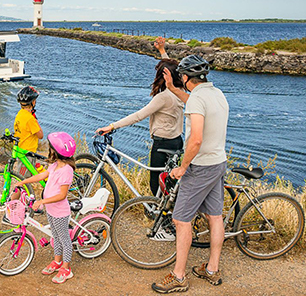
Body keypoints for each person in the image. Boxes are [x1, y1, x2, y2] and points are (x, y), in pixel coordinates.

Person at [151, 55, 229, 294]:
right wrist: (174, 90)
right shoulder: (216, 94)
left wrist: (183, 167)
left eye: (180, 79)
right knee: (215, 217)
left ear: (185, 77)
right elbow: (195, 104)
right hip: (219, 162)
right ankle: (212, 270)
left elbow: (195, 139)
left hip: (201, 167)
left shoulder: (197, 99)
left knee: (181, 219)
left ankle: (179, 276)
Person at [95, 57, 184, 197]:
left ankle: (164, 215)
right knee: (169, 182)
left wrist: (112, 126)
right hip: (177, 141)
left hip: (162, 144)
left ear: (164, 76)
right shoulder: (180, 91)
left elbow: (138, 116)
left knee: (156, 185)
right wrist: (162, 51)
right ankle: (167, 212)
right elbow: (173, 68)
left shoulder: (163, 97)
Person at [12, 132, 77, 284]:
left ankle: (66, 268)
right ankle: (57, 261)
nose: (50, 150)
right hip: (51, 210)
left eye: (51, 148)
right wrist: (23, 182)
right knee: (55, 237)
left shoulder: (67, 170)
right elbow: (41, 176)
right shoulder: (55, 165)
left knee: (64, 240)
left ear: (56, 151)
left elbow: (62, 195)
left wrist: (42, 201)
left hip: (60, 212)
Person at [14, 86, 44, 174]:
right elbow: (40, 135)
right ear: (33, 102)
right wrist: (35, 120)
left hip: (21, 149)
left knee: (24, 175)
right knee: (24, 177)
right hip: (28, 153)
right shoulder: (30, 119)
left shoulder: (19, 114)